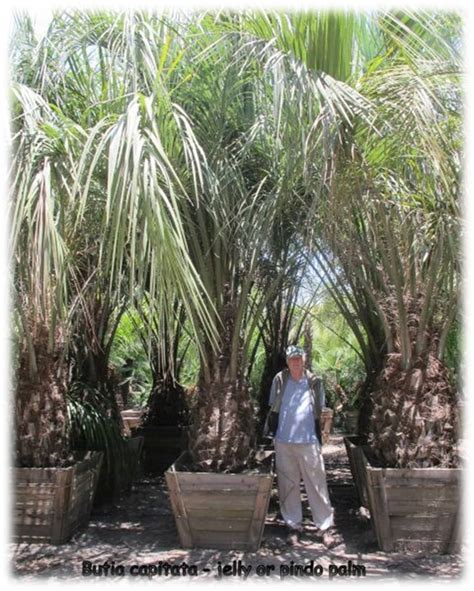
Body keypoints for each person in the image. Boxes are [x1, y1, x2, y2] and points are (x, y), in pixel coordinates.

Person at [265, 345, 337, 547]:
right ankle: (293, 527)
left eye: (298, 358)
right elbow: (272, 406)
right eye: (291, 359)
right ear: (287, 361)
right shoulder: (279, 380)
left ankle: (325, 528)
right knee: (288, 486)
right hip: (283, 442)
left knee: (317, 485)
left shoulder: (314, 382)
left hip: (309, 442)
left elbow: (320, 409)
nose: (295, 362)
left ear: (304, 359)